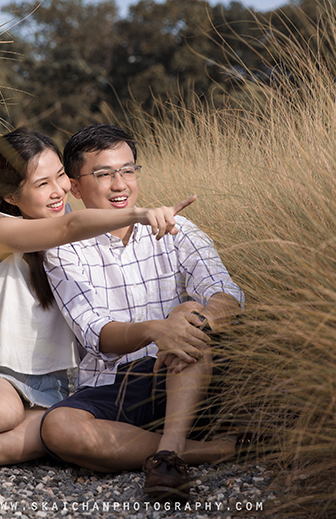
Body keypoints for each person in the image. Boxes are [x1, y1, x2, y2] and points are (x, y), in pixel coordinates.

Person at [0, 128, 196, 466]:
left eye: (60, 177)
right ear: (11, 195)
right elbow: (67, 228)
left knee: (24, 443)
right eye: (42, 184)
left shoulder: (85, 234)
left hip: (49, 385)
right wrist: (139, 213)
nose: (58, 192)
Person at [40, 124, 244, 499]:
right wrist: (156, 330)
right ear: (76, 186)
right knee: (58, 427)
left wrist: (196, 321)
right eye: (103, 174)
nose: (120, 184)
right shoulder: (64, 249)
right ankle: (206, 450)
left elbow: (226, 293)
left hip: (183, 374)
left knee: (189, 319)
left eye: (128, 170)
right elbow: (95, 332)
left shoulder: (178, 229)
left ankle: (168, 454)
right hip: (114, 384)